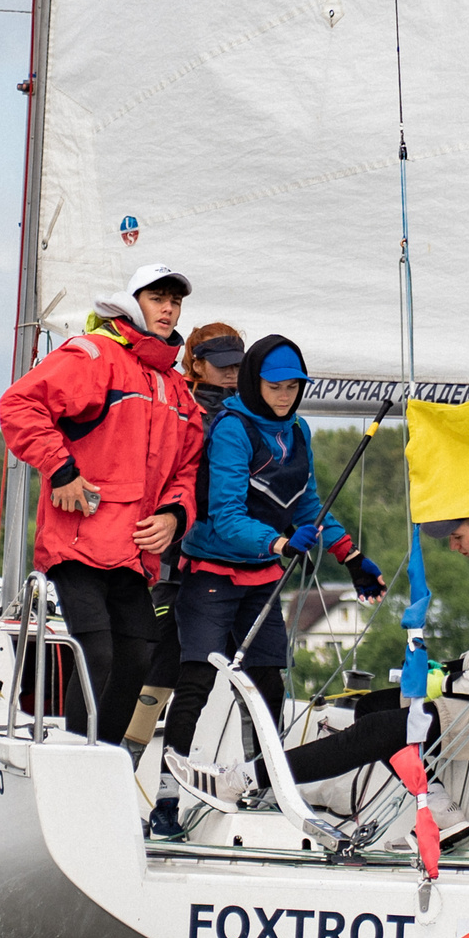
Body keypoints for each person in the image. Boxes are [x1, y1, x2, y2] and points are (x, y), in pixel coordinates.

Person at [171, 507, 469, 847]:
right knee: (373, 705)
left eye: (457, 533)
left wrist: (442, 685)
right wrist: (451, 669)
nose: (453, 544)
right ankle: (444, 813)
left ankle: (240, 781)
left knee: (382, 728)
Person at [153, 334, 383, 835]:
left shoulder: (298, 429)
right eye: (276, 386)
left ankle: (262, 785)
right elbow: (225, 514)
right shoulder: (232, 428)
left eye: (294, 387)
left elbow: (307, 506)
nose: (285, 395)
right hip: (212, 573)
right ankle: (165, 803)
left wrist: (352, 556)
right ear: (257, 384)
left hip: (261, 581)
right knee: (195, 683)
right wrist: (279, 544)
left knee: (267, 684)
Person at [0, 263, 204, 746]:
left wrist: (175, 516)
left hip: (133, 551)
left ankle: (101, 762)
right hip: (78, 542)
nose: (169, 308)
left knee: (137, 656)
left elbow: (188, 470)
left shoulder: (176, 389)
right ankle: (74, 762)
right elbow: (18, 405)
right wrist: (61, 469)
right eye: (158, 298)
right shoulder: (94, 355)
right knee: (99, 654)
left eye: (175, 301)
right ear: (133, 303)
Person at [123, 323, 245, 760]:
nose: (232, 374)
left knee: (253, 675)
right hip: (179, 563)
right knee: (160, 671)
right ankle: (122, 769)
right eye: (223, 366)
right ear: (196, 363)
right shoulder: (178, 404)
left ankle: (259, 782)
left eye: (238, 366)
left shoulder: (254, 415)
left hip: (236, 563)